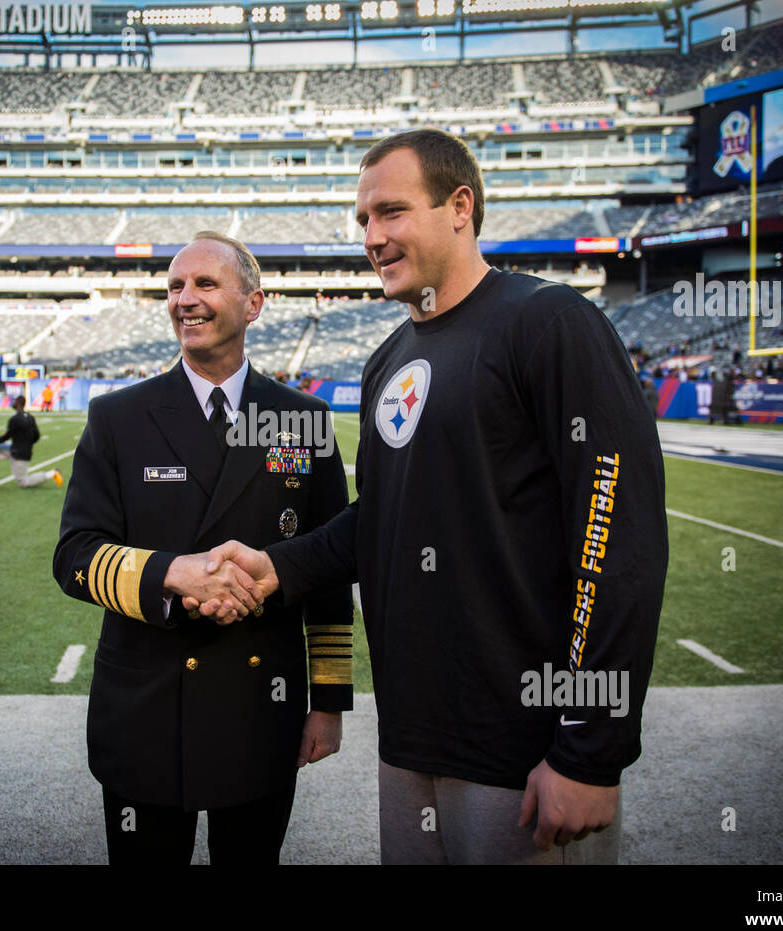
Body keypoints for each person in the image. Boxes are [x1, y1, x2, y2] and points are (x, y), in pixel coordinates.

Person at [189, 129, 668, 864]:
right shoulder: (389, 359)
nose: (373, 237)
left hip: (523, 750)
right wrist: (274, 567)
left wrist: (591, 751)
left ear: (460, 207)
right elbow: (377, 521)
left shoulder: (549, 323)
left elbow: (617, 536)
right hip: (411, 742)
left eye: (391, 212)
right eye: (363, 222)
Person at [53, 232, 354, 865]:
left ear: (254, 304)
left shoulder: (304, 417)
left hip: (258, 708)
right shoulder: (119, 417)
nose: (184, 300)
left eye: (205, 284)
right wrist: (173, 575)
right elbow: (75, 556)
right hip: (145, 709)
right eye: (174, 287)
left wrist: (327, 702)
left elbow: (331, 564)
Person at [0, 395, 62, 489]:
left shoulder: (14, 419)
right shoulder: (30, 417)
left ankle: (52, 474)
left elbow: (6, 436)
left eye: (15, 401)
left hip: (19, 453)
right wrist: (27, 444)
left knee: (23, 482)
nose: (13, 402)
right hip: (17, 449)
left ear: (18, 403)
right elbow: (37, 436)